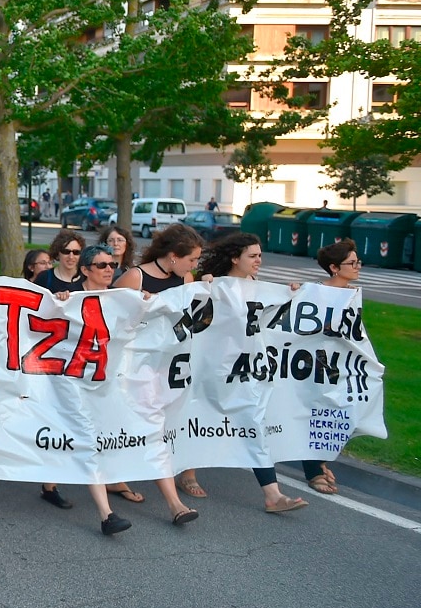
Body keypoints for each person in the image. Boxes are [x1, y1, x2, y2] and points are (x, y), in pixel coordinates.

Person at [196, 233, 309, 512]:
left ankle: (272, 494)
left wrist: (288, 295)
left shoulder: (258, 287)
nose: (259, 260)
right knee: (198, 417)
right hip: (214, 370)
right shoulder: (216, 285)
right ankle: (185, 471)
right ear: (236, 258)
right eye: (253, 256)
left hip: (248, 371)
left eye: (260, 255)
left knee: (253, 424)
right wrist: (203, 286)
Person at [113, 224, 204, 525]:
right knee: (148, 430)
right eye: (191, 260)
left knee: (152, 429)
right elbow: (108, 315)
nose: (194, 266)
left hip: (166, 369)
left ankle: (117, 476)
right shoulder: (135, 276)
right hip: (133, 369)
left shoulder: (185, 279)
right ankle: (174, 504)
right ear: (174, 256)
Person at [56, 245, 133, 534]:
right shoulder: (71, 299)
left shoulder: (121, 300)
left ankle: (48, 483)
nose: (109, 269)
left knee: (79, 441)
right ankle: (106, 515)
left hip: (106, 385)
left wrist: (147, 302)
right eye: (101, 265)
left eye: (112, 264)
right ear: (85, 270)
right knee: (88, 443)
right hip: (72, 384)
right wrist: (61, 302)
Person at [301, 240, 364, 496]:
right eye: (352, 263)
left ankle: (321, 462)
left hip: (339, 367)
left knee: (339, 414)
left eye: (358, 262)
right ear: (334, 267)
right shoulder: (313, 291)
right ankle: (314, 470)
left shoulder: (353, 294)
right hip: (310, 365)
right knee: (312, 415)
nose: (357, 266)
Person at [34, 230, 85, 295]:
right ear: (58, 253)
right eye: (66, 252)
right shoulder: (45, 278)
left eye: (76, 252)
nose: (71, 257)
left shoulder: (87, 278)